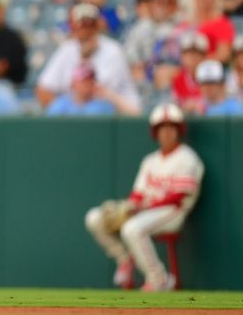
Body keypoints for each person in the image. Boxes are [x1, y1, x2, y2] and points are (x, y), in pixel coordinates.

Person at [85, 103, 204, 291]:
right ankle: (123, 258)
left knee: (131, 229)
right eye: (162, 128)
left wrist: (145, 207)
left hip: (173, 211)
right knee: (94, 217)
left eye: (171, 127)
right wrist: (130, 205)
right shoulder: (150, 160)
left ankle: (159, 279)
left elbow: (179, 197)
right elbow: (138, 193)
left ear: (178, 130)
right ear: (155, 132)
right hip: (147, 210)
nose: (166, 132)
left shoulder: (187, 158)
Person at [37, 3, 140, 110]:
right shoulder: (68, 49)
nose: (86, 30)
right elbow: (43, 89)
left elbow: (95, 92)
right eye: (82, 25)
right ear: (74, 27)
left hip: (119, 116)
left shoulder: (113, 50)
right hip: (82, 116)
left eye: (90, 24)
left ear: (98, 26)